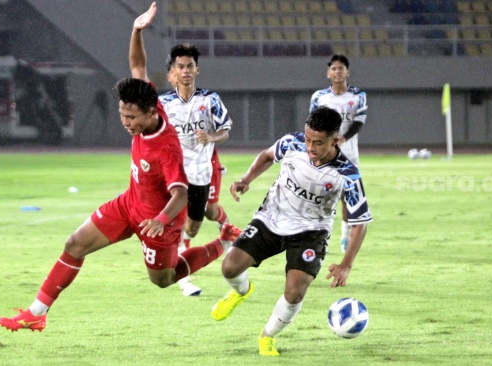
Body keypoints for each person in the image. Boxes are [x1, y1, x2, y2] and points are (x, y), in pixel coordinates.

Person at [0, 2, 241, 332]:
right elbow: (137, 65)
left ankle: (223, 242)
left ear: (151, 113)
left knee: (164, 279)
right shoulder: (149, 100)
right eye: (122, 114)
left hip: (160, 222)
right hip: (129, 204)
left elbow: (181, 192)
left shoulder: (165, 148)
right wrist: (136, 30)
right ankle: (36, 313)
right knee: (74, 244)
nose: (125, 122)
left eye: (131, 117)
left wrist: (161, 219)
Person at [210, 106, 372, 356]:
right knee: (229, 267)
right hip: (271, 218)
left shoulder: (347, 174)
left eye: (318, 142)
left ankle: (267, 336)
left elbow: (360, 221)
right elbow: (266, 156)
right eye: (308, 139)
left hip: (312, 231)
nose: (310, 147)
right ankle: (241, 291)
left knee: (295, 291)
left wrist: (346, 264)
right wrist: (246, 179)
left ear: (335, 139)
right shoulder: (292, 143)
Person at [159, 42, 235, 296]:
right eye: (181, 67)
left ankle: (225, 236)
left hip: (202, 171)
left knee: (192, 227)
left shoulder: (210, 100)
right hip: (175, 174)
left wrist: (211, 137)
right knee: (175, 224)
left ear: (197, 70)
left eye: (190, 66)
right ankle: (183, 279)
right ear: (174, 71)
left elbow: (225, 131)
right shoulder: (163, 103)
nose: (186, 71)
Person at [310, 54, 368, 253]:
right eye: (334, 68)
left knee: (346, 196)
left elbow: (359, 121)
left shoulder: (358, 95)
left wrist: (343, 138)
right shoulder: (319, 97)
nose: (337, 72)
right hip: (324, 155)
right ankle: (318, 235)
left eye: (341, 68)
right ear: (328, 73)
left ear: (347, 72)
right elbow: (312, 123)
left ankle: (344, 236)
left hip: (349, 155)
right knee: (319, 194)